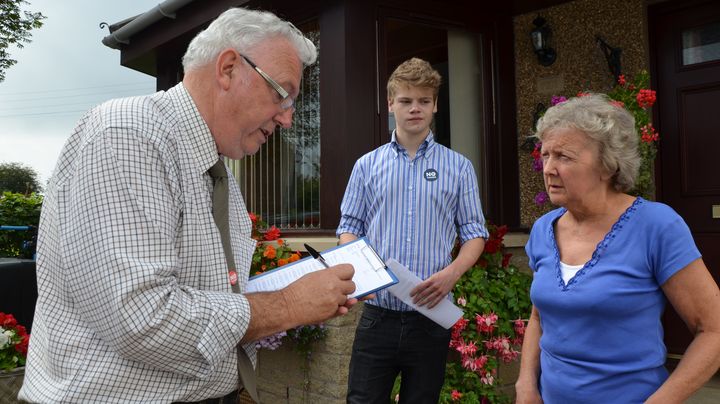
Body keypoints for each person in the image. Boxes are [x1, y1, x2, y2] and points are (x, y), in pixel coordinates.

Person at [19, 7, 358, 403]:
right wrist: (288, 304)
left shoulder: (218, 171)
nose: (287, 118)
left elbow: (211, 293)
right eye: (282, 94)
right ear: (229, 68)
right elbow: (142, 318)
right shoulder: (128, 134)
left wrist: (301, 289)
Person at [515, 94, 720, 403]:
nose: (548, 168)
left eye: (564, 157)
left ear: (608, 165)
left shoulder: (656, 226)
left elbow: (713, 331)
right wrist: (526, 385)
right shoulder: (544, 229)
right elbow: (540, 317)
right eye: (545, 155)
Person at [337, 57, 488, 404]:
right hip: (378, 317)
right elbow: (349, 228)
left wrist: (452, 274)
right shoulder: (366, 165)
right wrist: (364, 270)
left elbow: (474, 232)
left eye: (423, 100)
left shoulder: (459, 167)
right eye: (406, 100)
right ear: (391, 104)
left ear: (435, 105)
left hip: (430, 319)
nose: (414, 109)